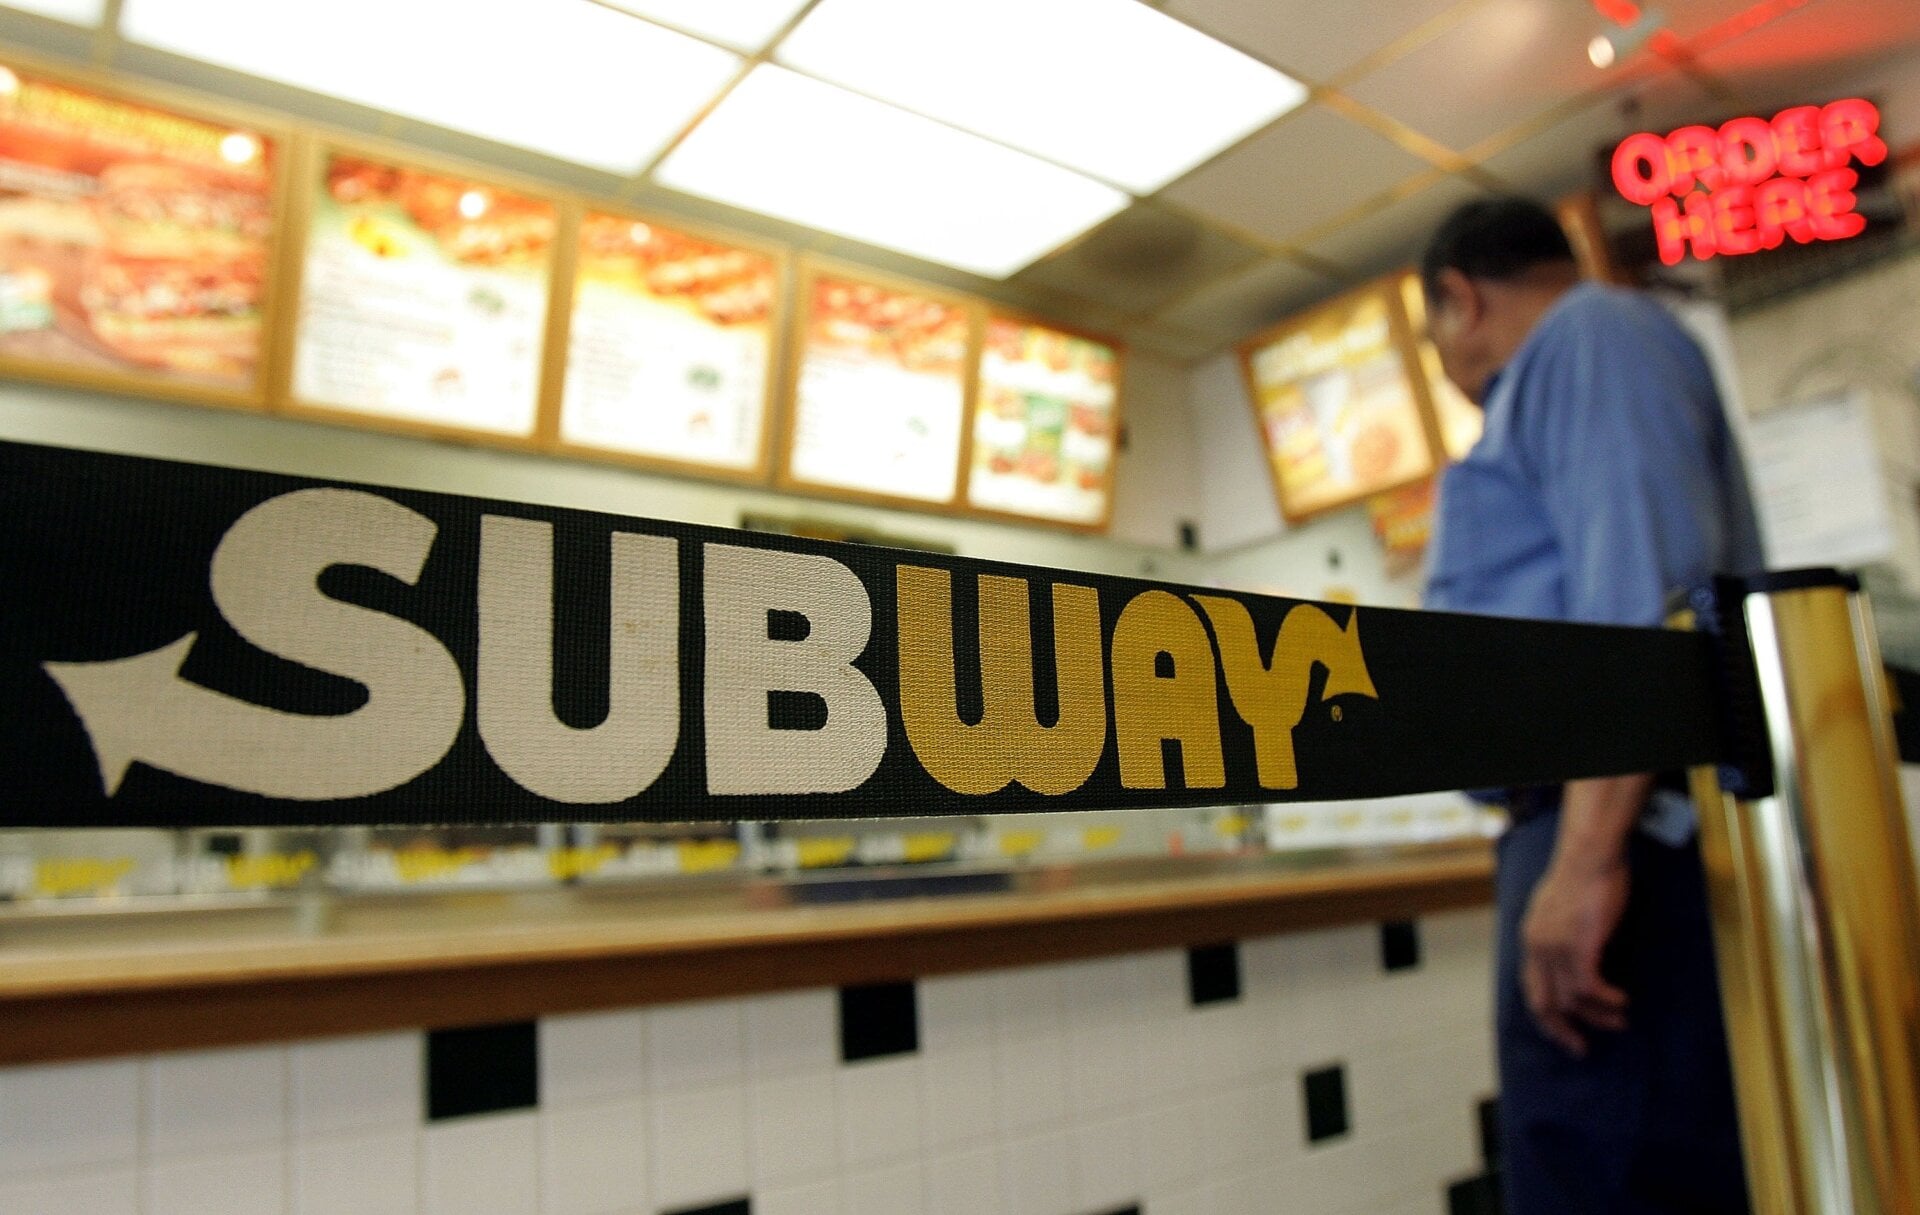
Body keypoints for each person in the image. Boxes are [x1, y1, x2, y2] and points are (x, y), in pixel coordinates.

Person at [1420, 197, 1762, 1215]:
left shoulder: (1591, 335)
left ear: (1458, 297)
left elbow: (1638, 603)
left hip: (1622, 831)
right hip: (1603, 820)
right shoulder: (1581, 359)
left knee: (1614, 1174)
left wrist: (1585, 858)